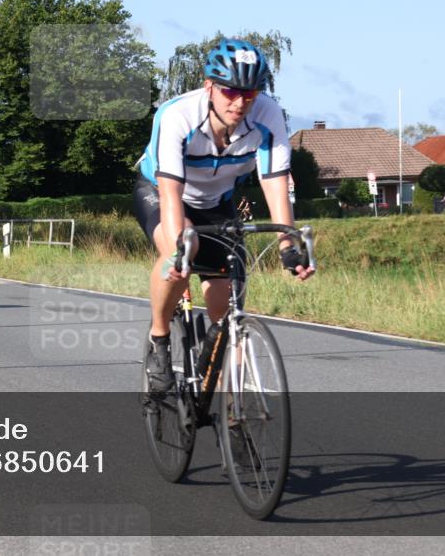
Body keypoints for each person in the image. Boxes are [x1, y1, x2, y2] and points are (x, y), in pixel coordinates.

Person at [133, 38, 315, 393]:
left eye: (250, 93)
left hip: (217, 200)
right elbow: (170, 193)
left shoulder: (268, 115)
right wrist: (180, 248)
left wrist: (288, 246)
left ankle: (228, 398)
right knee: (181, 252)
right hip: (161, 192)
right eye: (230, 91)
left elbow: (275, 185)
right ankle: (159, 337)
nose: (240, 102)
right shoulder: (177, 115)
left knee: (227, 296)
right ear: (209, 87)